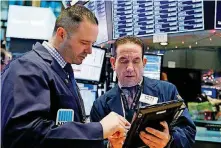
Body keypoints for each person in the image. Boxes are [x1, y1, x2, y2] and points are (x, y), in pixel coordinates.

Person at [1, 5, 130, 148]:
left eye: (92, 44)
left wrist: (106, 143)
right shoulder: (27, 68)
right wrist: (98, 129)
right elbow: (24, 135)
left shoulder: (63, 69)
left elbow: (66, 132)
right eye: (84, 43)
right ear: (61, 34)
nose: (90, 51)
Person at [90, 36, 196, 148]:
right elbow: (93, 143)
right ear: (113, 63)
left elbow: (188, 132)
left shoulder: (168, 91)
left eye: (136, 61)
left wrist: (169, 141)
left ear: (144, 63)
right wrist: (110, 146)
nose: (130, 68)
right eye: (123, 60)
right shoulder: (100, 104)